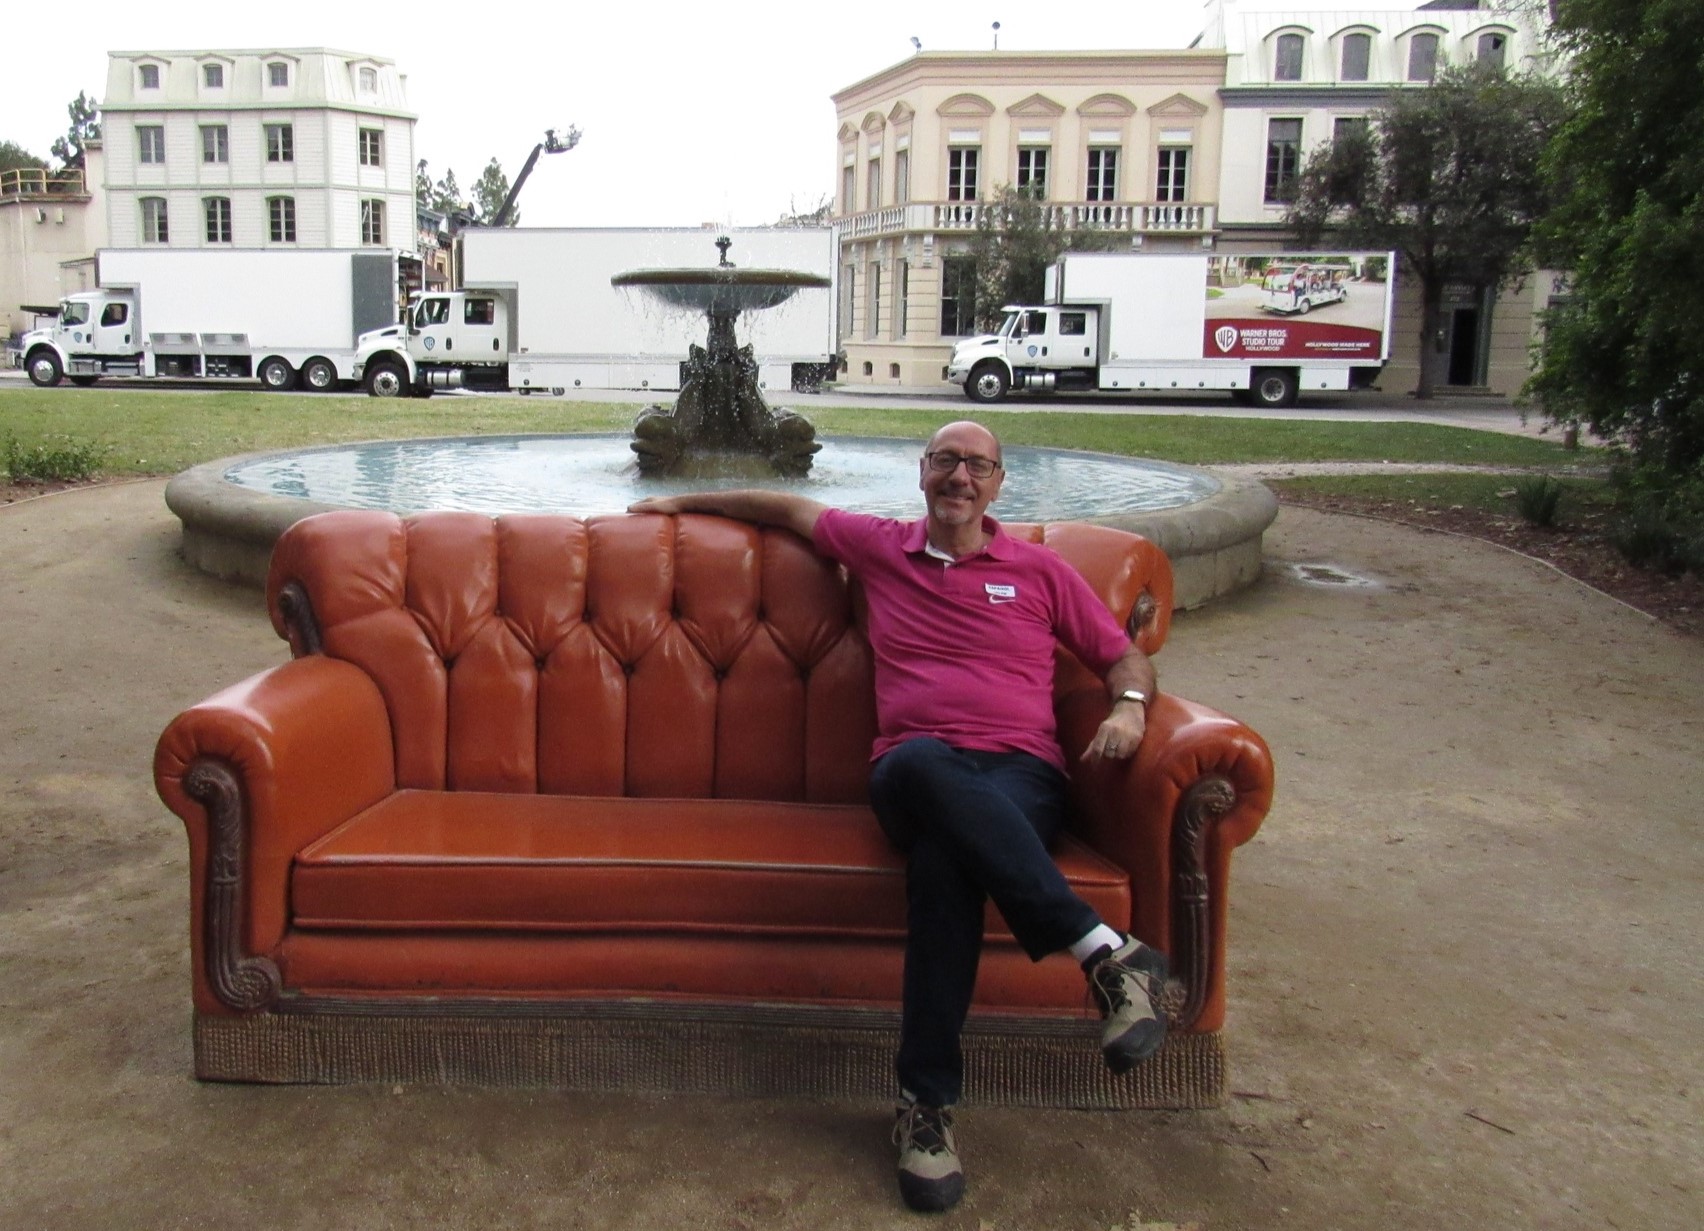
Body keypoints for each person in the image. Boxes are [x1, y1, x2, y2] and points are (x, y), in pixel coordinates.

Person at [628, 420, 1167, 1213]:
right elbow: (780, 508)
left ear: (998, 483)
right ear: (921, 473)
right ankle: (1103, 951)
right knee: (918, 758)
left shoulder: (1041, 572)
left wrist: (1128, 709)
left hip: (1022, 777)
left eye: (977, 465)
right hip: (910, 774)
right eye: (945, 461)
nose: (960, 476)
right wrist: (674, 501)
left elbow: (1125, 656)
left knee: (947, 867)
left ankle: (926, 1110)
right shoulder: (881, 546)